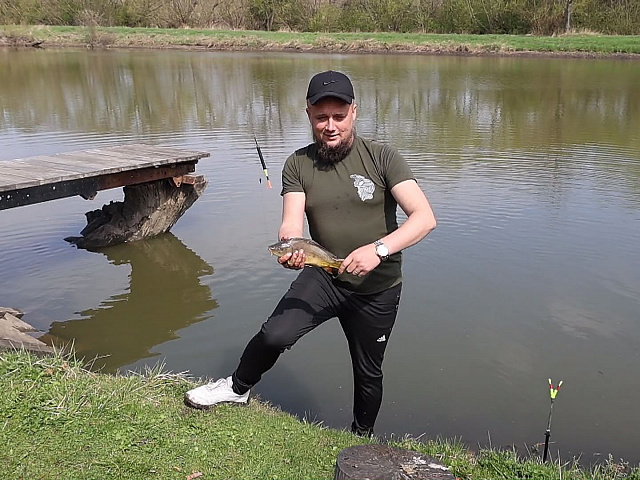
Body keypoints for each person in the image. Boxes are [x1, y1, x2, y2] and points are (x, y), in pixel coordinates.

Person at [185, 70, 436, 436]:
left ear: (353, 113)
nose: (330, 126)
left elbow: (424, 218)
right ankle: (237, 389)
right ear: (308, 115)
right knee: (274, 335)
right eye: (321, 117)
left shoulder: (383, 157)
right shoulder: (298, 164)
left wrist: (378, 250)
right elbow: (291, 225)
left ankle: (361, 437)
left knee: (368, 371)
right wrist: (290, 248)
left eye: (338, 116)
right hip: (324, 275)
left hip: (377, 286)